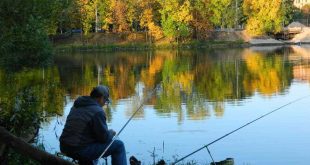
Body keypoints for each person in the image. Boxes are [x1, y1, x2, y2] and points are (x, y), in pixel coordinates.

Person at [60, 85, 127, 165]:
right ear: (101, 98)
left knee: (90, 142)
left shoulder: (78, 104)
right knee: (119, 145)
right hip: (78, 150)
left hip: (64, 146)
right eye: (105, 101)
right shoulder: (97, 111)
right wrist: (111, 133)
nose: (104, 104)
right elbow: (104, 138)